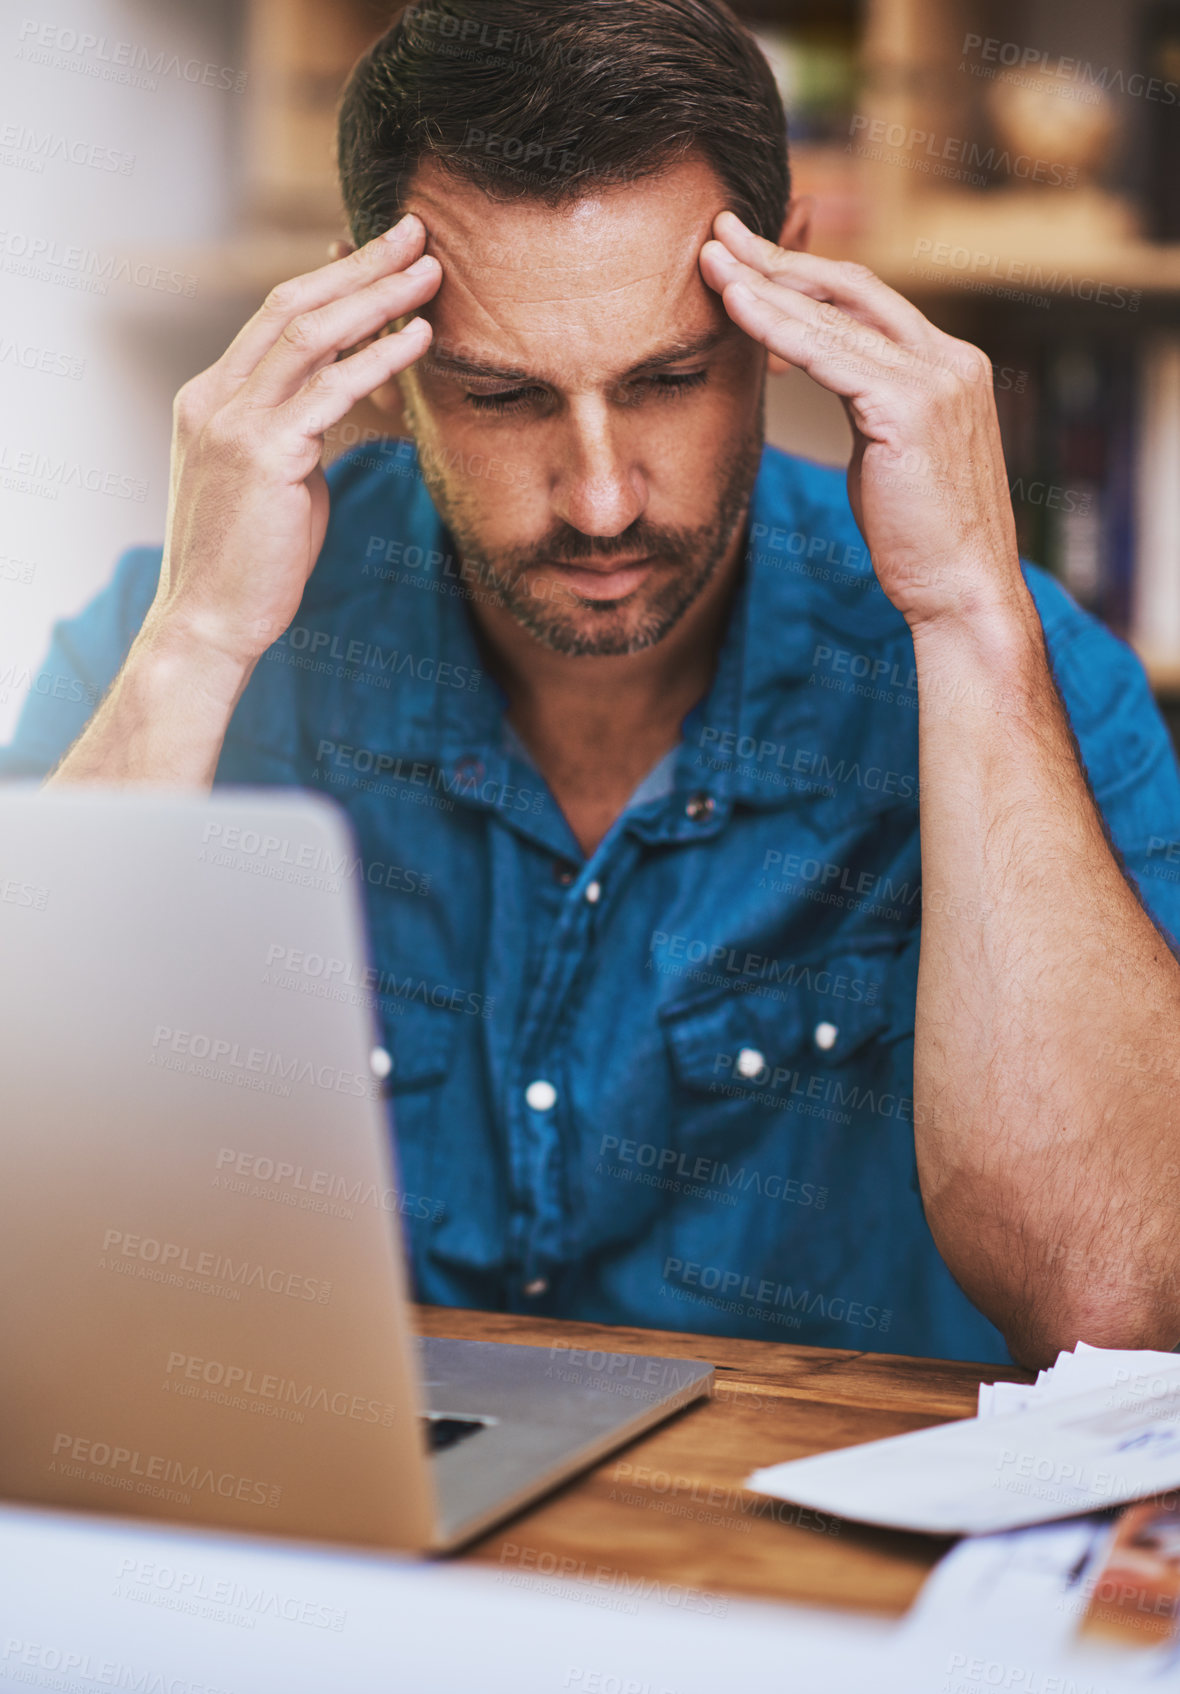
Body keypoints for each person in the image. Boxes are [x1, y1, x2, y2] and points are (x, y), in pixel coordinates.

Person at [4, 0, 1180, 1368]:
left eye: (672, 377)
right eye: (503, 397)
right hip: (314, 1560)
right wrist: (198, 641)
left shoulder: (1024, 671)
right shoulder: (157, 640)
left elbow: (1122, 1303)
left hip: (806, 1579)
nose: (606, 498)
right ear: (369, 328)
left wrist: (969, 614)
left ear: (785, 289)